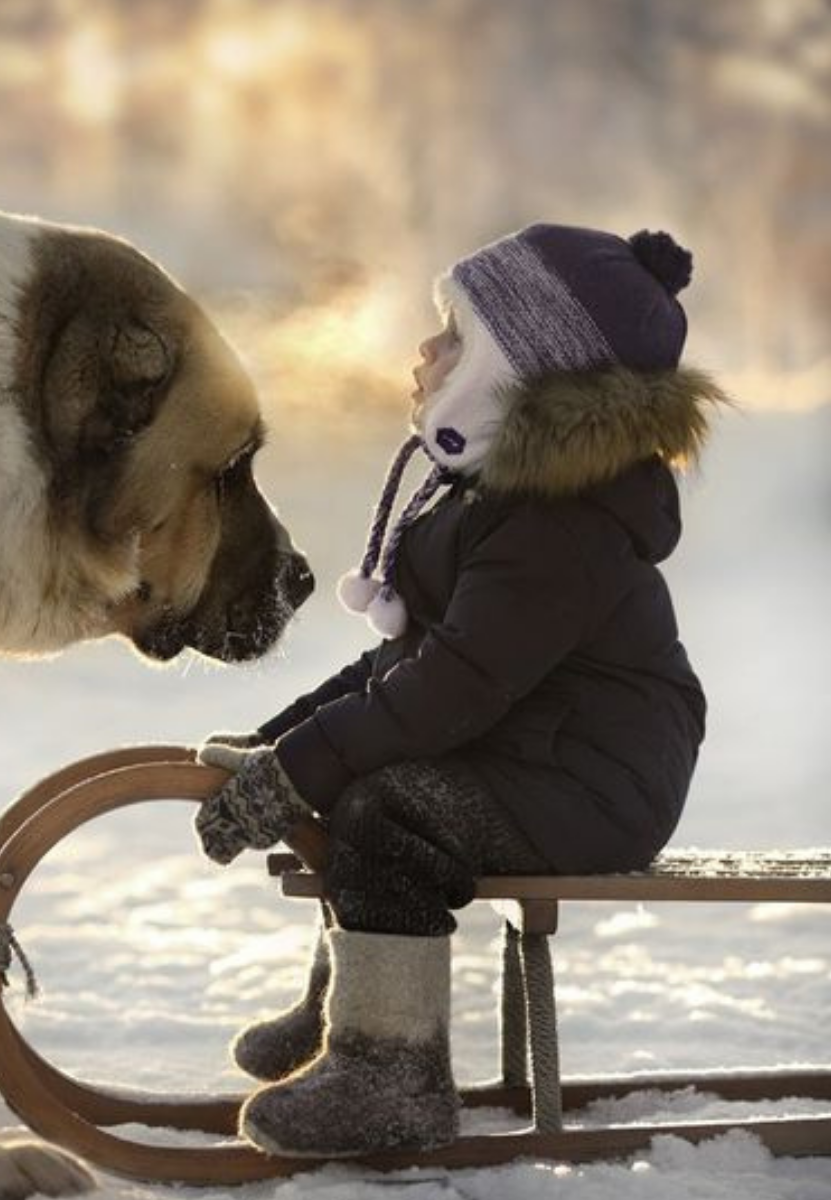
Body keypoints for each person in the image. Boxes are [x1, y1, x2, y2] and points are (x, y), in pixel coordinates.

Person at [194, 224, 729, 1159]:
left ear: (513, 371)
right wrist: (284, 743)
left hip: (599, 778)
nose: (424, 352)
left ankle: (388, 1071)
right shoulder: (493, 494)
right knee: (367, 789)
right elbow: (401, 669)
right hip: (538, 748)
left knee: (391, 810)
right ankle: (353, 1016)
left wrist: (307, 767)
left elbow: (450, 691)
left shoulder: (562, 520)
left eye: (454, 337)